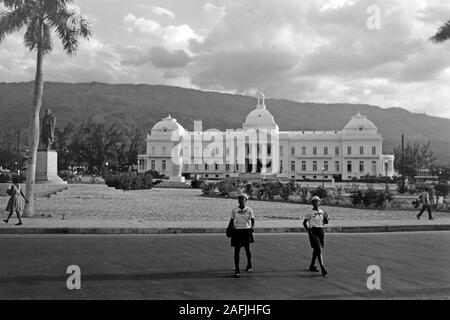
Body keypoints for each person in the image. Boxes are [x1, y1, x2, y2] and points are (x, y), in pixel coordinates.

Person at [229, 192, 255, 278]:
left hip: (246, 231)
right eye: (239, 199)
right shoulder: (234, 210)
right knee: (237, 250)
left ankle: (249, 264)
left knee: (247, 249)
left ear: (245, 200)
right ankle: (237, 269)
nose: (240, 200)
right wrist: (229, 229)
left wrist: (252, 227)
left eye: (242, 199)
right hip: (237, 231)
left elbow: (252, 219)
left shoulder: (249, 210)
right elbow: (232, 220)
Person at [303, 196, 329, 276]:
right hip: (313, 231)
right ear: (312, 203)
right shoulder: (310, 213)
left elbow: (325, 222)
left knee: (316, 250)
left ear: (319, 202)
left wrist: (326, 218)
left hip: (321, 231)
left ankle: (312, 266)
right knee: (319, 249)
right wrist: (309, 231)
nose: (316, 203)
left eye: (317, 201)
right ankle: (322, 268)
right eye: (314, 202)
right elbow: (304, 223)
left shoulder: (322, 211)